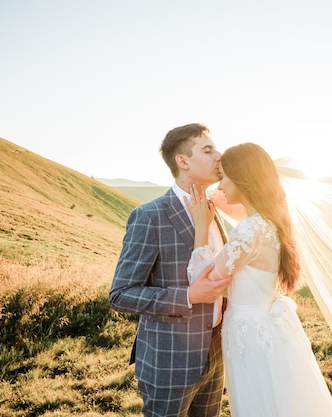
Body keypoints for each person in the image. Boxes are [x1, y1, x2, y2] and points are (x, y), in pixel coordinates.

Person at [185, 142, 332, 416]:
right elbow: (221, 195)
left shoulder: (249, 230)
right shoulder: (270, 220)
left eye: (223, 177)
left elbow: (202, 279)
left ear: (243, 178)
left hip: (250, 333)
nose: (218, 186)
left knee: (260, 403)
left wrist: (201, 227)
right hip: (267, 326)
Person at [109, 123, 231, 417]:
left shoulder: (215, 210)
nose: (219, 155)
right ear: (183, 161)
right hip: (169, 361)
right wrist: (188, 295)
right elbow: (121, 294)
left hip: (215, 355)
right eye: (208, 149)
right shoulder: (149, 216)